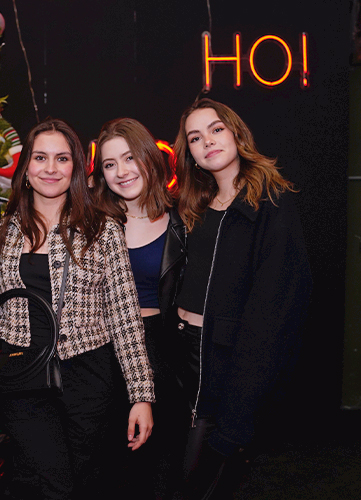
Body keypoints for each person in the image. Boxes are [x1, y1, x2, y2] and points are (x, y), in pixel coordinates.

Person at [0, 117, 155, 499]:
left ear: (76, 168)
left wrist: (141, 395)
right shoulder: (3, 230)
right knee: (50, 483)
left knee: (88, 480)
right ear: (25, 167)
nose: (51, 168)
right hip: (23, 375)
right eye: (40, 157)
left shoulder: (102, 229)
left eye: (62, 158)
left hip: (88, 376)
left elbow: (125, 316)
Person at [170, 98, 312, 499]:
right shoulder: (195, 204)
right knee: (171, 472)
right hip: (183, 352)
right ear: (190, 154)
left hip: (227, 359)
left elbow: (276, 309)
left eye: (216, 129)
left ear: (236, 134)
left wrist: (243, 399)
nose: (207, 141)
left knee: (201, 475)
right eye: (195, 138)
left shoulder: (271, 202)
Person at [90, 117, 187, 499]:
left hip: (165, 355)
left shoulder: (183, 220)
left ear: (149, 157)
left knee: (161, 472)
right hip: (104, 354)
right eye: (110, 164)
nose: (121, 171)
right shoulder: (91, 224)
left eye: (129, 158)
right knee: (110, 473)